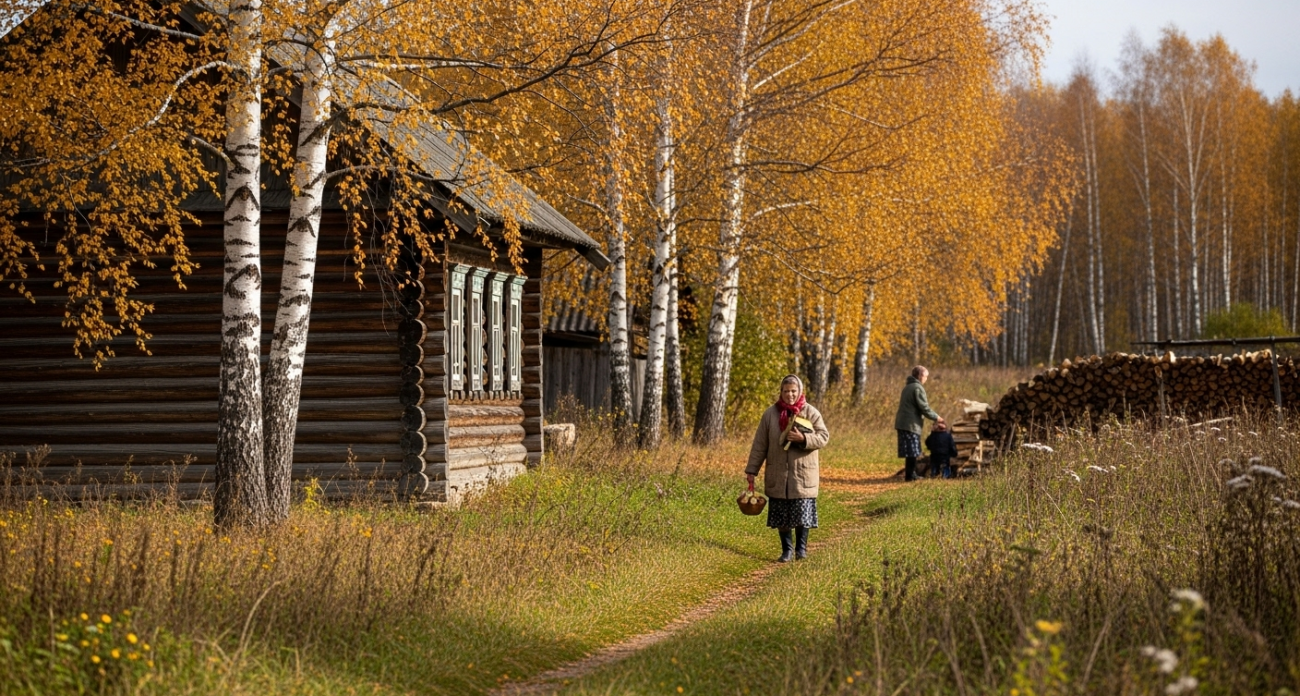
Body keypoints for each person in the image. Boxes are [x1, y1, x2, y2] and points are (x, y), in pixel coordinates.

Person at [745, 375, 830, 563]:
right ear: (781, 392)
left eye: (793, 391)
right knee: (782, 516)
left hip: (803, 474)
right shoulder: (770, 415)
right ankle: (787, 551)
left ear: (800, 392)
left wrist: (804, 439)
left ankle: (801, 550)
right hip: (778, 474)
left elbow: (823, 437)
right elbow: (760, 445)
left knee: (802, 514)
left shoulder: (811, 412)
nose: (790, 395)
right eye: (786, 391)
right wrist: (752, 469)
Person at [895, 366, 942, 482]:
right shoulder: (917, 388)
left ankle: (911, 474)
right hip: (910, 424)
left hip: (903, 423)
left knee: (910, 451)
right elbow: (924, 407)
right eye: (926, 376)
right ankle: (910, 476)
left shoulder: (908, 387)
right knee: (912, 451)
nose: (926, 379)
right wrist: (937, 417)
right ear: (920, 376)